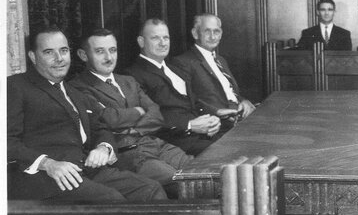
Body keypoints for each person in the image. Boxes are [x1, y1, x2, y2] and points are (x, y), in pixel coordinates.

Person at [8, 28, 165, 202]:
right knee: (111, 199)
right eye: (49, 52)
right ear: (33, 56)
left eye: (63, 50)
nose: (59, 58)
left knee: (150, 189)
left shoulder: (74, 92)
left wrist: (103, 147)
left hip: (87, 170)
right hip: (49, 177)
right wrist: (48, 164)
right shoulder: (15, 86)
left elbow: (100, 128)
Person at [69, 28, 194, 198]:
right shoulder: (78, 87)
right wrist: (139, 111)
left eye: (113, 50)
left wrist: (133, 129)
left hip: (156, 144)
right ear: (83, 55)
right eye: (100, 51)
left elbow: (156, 114)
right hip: (130, 154)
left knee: (202, 172)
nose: (109, 57)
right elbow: (107, 118)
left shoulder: (128, 81)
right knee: (182, 183)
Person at [125, 19, 223, 156]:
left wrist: (213, 119)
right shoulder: (132, 75)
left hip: (204, 136)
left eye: (166, 38)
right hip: (175, 143)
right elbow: (147, 120)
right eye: (155, 38)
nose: (163, 43)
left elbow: (194, 102)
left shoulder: (175, 68)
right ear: (141, 42)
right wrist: (189, 125)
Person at [172, 14, 256, 129]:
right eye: (207, 31)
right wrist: (216, 112)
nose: (212, 37)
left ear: (221, 34)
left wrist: (244, 101)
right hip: (216, 124)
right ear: (195, 33)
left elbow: (229, 92)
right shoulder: (183, 62)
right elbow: (188, 101)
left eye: (216, 31)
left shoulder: (221, 60)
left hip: (239, 116)